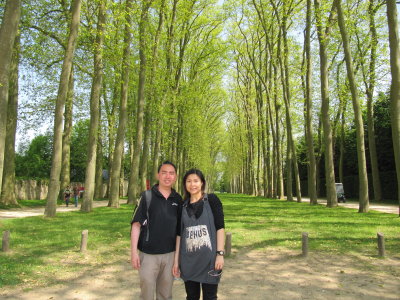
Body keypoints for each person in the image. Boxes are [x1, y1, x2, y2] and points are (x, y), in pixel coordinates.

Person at [130, 161, 182, 300]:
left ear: (175, 177)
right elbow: (136, 225)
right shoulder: (147, 196)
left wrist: (177, 259)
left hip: (170, 255)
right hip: (148, 256)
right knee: (146, 293)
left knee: (165, 294)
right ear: (158, 175)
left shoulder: (178, 199)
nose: (167, 176)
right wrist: (134, 253)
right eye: (164, 172)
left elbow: (180, 231)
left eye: (171, 173)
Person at [173, 168, 225, 300]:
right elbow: (179, 235)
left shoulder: (212, 200)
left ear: (202, 183)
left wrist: (220, 254)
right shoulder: (182, 206)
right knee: (191, 297)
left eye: (196, 181)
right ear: (185, 184)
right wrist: (176, 261)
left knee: (210, 297)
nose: (192, 184)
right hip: (188, 262)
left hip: (210, 261)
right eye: (189, 181)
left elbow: (220, 228)